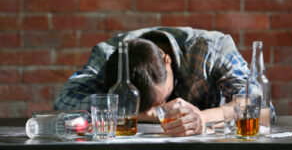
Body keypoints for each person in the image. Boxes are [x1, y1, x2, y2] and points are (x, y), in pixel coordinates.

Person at [54, 26, 274, 136]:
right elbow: (64, 103)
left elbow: (262, 108)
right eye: (149, 109)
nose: (160, 110)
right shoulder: (108, 54)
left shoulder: (212, 49)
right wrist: (142, 115)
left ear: (167, 60)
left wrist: (201, 118)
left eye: (160, 102)